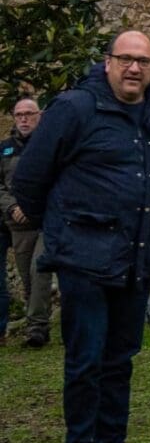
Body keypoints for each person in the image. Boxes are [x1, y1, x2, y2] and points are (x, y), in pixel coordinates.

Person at [11, 33, 150, 443]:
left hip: (134, 255)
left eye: (143, 61)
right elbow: (28, 179)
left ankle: (111, 441)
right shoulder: (75, 108)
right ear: (107, 63)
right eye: (125, 59)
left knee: (122, 354)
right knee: (86, 356)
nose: (134, 69)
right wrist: (63, 228)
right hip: (83, 257)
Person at [1, 97, 55, 348]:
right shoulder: (4, 150)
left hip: (45, 221)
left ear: (40, 116)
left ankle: (37, 329)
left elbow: (58, 183)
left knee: (40, 269)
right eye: (19, 114)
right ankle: (37, 323)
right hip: (18, 225)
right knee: (27, 277)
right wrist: (12, 206)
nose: (23, 119)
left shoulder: (52, 145)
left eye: (29, 114)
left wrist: (32, 206)